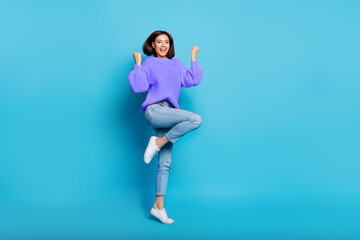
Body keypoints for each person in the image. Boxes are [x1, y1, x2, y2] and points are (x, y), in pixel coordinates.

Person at [128, 30, 204, 224]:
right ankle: (158, 142)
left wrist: (193, 58)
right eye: (159, 42)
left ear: (170, 46)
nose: (163, 45)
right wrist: (137, 63)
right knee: (195, 119)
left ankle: (158, 207)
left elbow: (192, 80)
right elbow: (138, 87)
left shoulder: (177, 64)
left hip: (170, 112)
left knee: (165, 163)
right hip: (155, 111)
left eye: (167, 42)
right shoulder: (149, 63)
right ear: (152, 45)